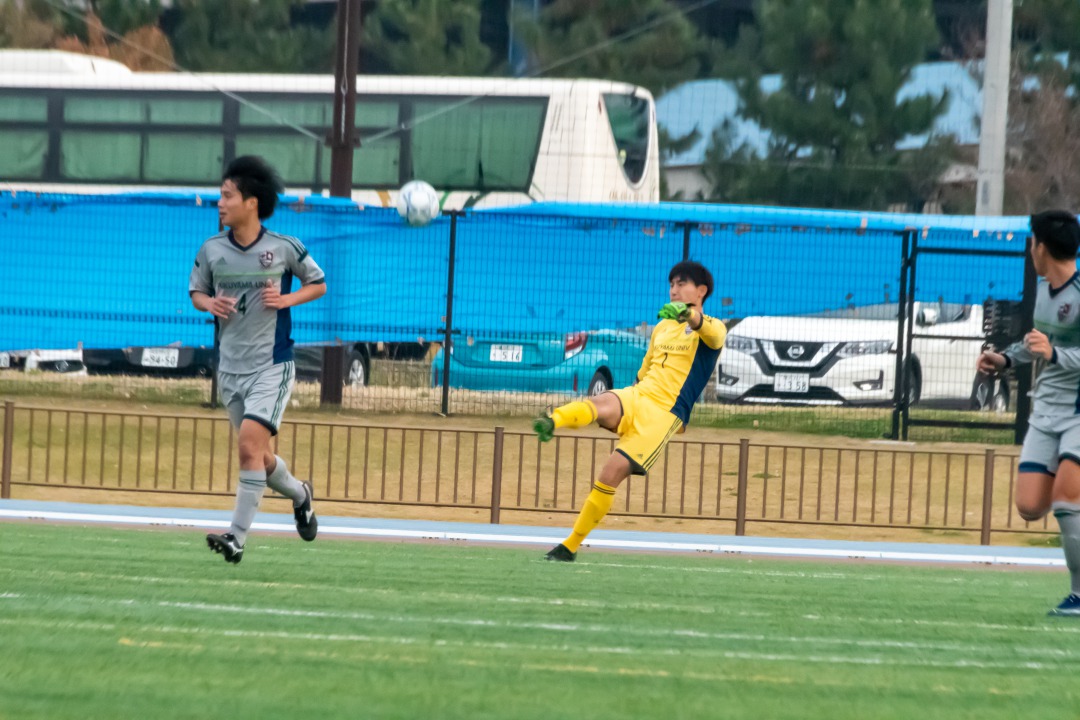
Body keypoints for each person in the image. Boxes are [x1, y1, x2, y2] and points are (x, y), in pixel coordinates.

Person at [534, 260, 726, 561]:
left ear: (701, 291)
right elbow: (644, 370)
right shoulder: (662, 327)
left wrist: (689, 314)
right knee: (600, 403)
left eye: (681, 284)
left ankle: (569, 546)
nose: (673, 290)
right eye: (671, 284)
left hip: (664, 414)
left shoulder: (713, 329)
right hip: (640, 395)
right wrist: (629, 397)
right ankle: (552, 420)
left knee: (610, 474)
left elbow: (710, 331)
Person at [189, 156, 327, 564]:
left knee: (248, 445)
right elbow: (196, 293)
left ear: (251, 202)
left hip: (272, 366)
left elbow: (318, 283)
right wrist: (209, 304)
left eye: (227, 195)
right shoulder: (211, 249)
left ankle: (236, 538)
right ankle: (300, 495)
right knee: (259, 457)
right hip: (230, 368)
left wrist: (287, 299)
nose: (219, 202)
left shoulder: (283, 247)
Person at [977, 209, 1080, 615]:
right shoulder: (1042, 290)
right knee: (1030, 505)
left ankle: (1078, 595)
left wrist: (1054, 354)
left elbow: (1051, 350)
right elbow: (1038, 342)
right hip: (1046, 411)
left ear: (1042, 247)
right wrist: (1005, 359)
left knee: (1067, 500)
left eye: (1032, 242)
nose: (1030, 249)